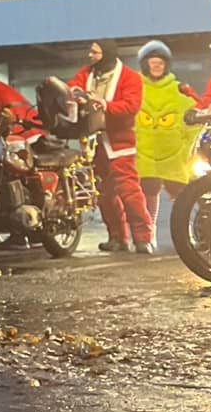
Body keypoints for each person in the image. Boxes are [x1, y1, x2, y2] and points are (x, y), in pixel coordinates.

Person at [70, 40, 152, 255]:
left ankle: (143, 238)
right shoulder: (87, 73)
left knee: (129, 192)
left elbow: (131, 105)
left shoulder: (130, 77)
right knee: (103, 194)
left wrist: (104, 105)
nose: (90, 55)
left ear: (106, 54)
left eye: (95, 52)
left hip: (120, 143)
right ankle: (117, 237)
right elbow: (73, 86)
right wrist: (77, 94)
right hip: (95, 145)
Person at [135, 41, 202, 248]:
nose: (156, 66)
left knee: (184, 196)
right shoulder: (135, 88)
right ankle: (148, 235)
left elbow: (196, 117)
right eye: (152, 62)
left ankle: (191, 233)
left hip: (175, 155)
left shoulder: (179, 90)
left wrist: (187, 145)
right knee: (148, 194)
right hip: (145, 154)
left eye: (160, 63)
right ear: (145, 64)